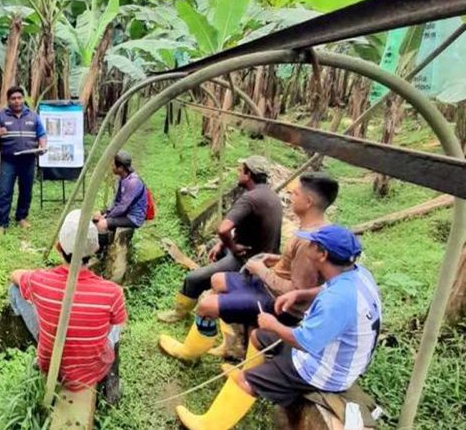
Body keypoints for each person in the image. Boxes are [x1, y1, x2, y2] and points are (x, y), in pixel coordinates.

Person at [175, 225, 382, 430]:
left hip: (322, 370)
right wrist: (300, 294)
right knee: (259, 336)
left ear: (322, 254)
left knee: (246, 380)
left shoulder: (337, 302)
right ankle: (258, 376)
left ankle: (210, 422)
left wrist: (274, 324)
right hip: (334, 356)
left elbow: (303, 341)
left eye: (311, 243)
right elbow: (326, 287)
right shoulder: (358, 275)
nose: (307, 244)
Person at [159, 173, 339, 361]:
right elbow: (299, 267)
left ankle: (188, 354)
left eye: (295, 194)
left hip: (280, 302)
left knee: (206, 305)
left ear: (308, 201)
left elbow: (299, 292)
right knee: (216, 280)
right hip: (270, 286)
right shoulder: (316, 227)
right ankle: (231, 345)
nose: (290, 198)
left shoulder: (309, 242)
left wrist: (262, 270)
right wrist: (274, 259)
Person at [8, 210, 127, 404]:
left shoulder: (39, 280)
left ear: (58, 247)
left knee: (14, 289)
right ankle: (112, 378)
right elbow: (118, 323)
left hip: (53, 367)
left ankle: (40, 341)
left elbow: (14, 275)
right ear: (95, 250)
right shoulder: (112, 292)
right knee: (115, 327)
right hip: (92, 372)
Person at [157, 155, 282, 323]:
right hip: (262, 254)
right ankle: (219, 271)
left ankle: (179, 313)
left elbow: (223, 229)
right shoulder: (271, 196)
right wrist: (223, 243)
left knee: (193, 279)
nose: (238, 173)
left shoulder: (249, 199)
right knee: (213, 246)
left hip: (246, 260)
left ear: (249, 174)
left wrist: (233, 247)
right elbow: (238, 229)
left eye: (240, 170)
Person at [0, 86, 47, 234]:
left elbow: (42, 135)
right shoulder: (1, 116)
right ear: (8, 100)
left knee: (26, 190)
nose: (17, 101)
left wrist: (43, 146)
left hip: (29, 159)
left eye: (19, 98)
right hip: (9, 160)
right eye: (13, 98)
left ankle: (22, 217)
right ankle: (2, 223)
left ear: (23, 99)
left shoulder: (33, 116)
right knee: (5, 191)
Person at [93, 151, 148, 238]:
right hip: (125, 212)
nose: (112, 167)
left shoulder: (133, 183)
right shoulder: (123, 178)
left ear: (121, 167)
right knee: (96, 215)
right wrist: (106, 212)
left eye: (113, 165)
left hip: (133, 218)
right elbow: (117, 200)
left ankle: (101, 249)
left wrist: (107, 217)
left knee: (101, 224)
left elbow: (122, 207)